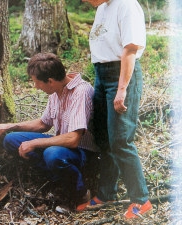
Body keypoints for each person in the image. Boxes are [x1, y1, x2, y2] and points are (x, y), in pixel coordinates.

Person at [0, 52, 98, 211]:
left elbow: (73, 139)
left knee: (52, 154)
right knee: (11, 140)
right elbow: (43, 124)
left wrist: (35, 143)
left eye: (37, 83)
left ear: (50, 81)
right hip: (62, 146)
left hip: (83, 152)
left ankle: (80, 192)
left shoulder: (80, 92)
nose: (35, 87)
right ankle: (56, 178)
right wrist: (8, 126)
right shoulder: (56, 91)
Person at [79, 0, 153, 219]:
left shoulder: (127, 6)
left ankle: (141, 199)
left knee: (120, 139)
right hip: (101, 75)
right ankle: (107, 193)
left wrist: (122, 90)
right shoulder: (102, 7)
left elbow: (130, 49)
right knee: (103, 139)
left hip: (120, 76)